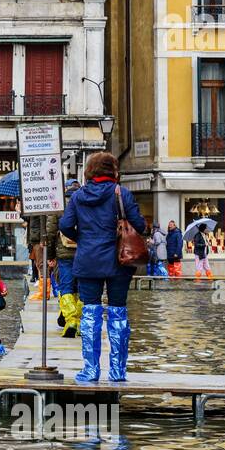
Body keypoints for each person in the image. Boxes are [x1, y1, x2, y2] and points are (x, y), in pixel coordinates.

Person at [58, 151, 146, 383]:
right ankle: (117, 372)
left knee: (90, 312)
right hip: (119, 261)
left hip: (88, 260)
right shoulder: (122, 193)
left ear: (89, 172)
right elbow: (140, 225)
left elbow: (65, 225)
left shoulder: (77, 197)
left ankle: (90, 370)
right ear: (114, 171)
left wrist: (83, 239)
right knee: (118, 313)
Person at [47, 180, 81, 337]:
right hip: (84, 252)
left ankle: (71, 320)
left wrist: (51, 255)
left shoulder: (57, 205)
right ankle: (80, 323)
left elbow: (51, 232)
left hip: (64, 252)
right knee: (82, 288)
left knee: (65, 286)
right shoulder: (85, 203)